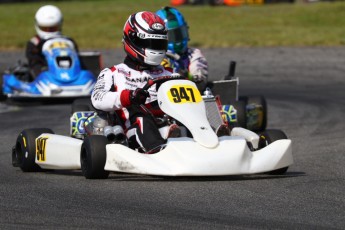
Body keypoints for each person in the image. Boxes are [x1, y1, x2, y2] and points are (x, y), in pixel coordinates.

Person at [91, 11, 181, 154]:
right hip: (131, 131)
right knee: (139, 112)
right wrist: (129, 97)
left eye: (158, 43)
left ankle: (214, 139)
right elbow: (97, 99)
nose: (155, 48)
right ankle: (157, 149)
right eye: (150, 43)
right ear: (133, 40)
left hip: (170, 119)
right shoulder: (113, 73)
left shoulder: (170, 74)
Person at [156, 6, 208, 92]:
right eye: (172, 35)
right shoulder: (153, 57)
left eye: (180, 33)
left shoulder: (194, 54)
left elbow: (200, 85)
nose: (177, 39)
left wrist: (184, 75)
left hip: (191, 98)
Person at [26, 5, 78, 78]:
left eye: (53, 28)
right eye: (45, 28)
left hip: (72, 72)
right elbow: (34, 63)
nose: (49, 31)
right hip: (46, 75)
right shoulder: (34, 43)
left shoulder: (69, 41)